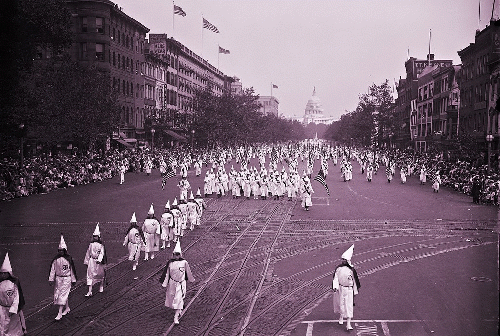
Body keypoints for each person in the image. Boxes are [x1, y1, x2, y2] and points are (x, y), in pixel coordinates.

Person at [159, 241, 195, 325]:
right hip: (172, 283)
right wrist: (164, 283)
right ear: (173, 254)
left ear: (180, 255)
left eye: (178, 254)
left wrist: (191, 279)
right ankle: (179, 309)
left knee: (178, 299)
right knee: (172, 299)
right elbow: (167, 274)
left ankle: (175, 317)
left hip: (181, 284)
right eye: (175, 254)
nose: (177, 256)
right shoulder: (170, 263)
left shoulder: (184, 262)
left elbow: (188, 272)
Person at [332, 244, 361, 332]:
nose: (343, 261)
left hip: (348, 290)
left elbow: (355, 282)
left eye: (344, 259)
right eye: (342, 259)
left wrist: (355, 291)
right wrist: (335, 287)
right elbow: (336, 278)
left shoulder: (351, 270)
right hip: (341, 289)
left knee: (348, 306)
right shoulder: (338, 269)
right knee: (341, 304)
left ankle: (348, 324)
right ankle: (341, 316)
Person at [48, 235, 77, 320]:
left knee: (63, 294)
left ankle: (59, 313)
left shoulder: (68, 259)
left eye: (62, 250)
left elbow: (72, 270)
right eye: (59, 250)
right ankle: (67, 308)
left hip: (66, 279)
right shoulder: (55, 259)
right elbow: (52, 270)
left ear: (65, 250)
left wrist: (73, 279)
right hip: (58, 279)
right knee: (59, 294)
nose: (60, 252)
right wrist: (51, 279)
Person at [0, 252, 26, 335]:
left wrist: (13, 309)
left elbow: (16, 297)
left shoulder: (14, 283)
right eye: (2, 273)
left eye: (5, 273)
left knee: (14, 326)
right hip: (2, 308)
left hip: (12, 309)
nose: (3, 275)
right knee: (3, 325)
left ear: (9, 273)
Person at [84, 223, 107, 297]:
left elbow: (102, 253)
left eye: (96, 236)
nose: (95, 238)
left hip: (98, 262)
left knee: (100, 274)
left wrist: (99, 260)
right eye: (94, 236)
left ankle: (101, 286)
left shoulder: (101, 245)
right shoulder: (91, 245)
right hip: (91, 261)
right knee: (90, 275)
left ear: (98, 237)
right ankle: (89, 291)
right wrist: (87, 261)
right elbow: (88, 252)